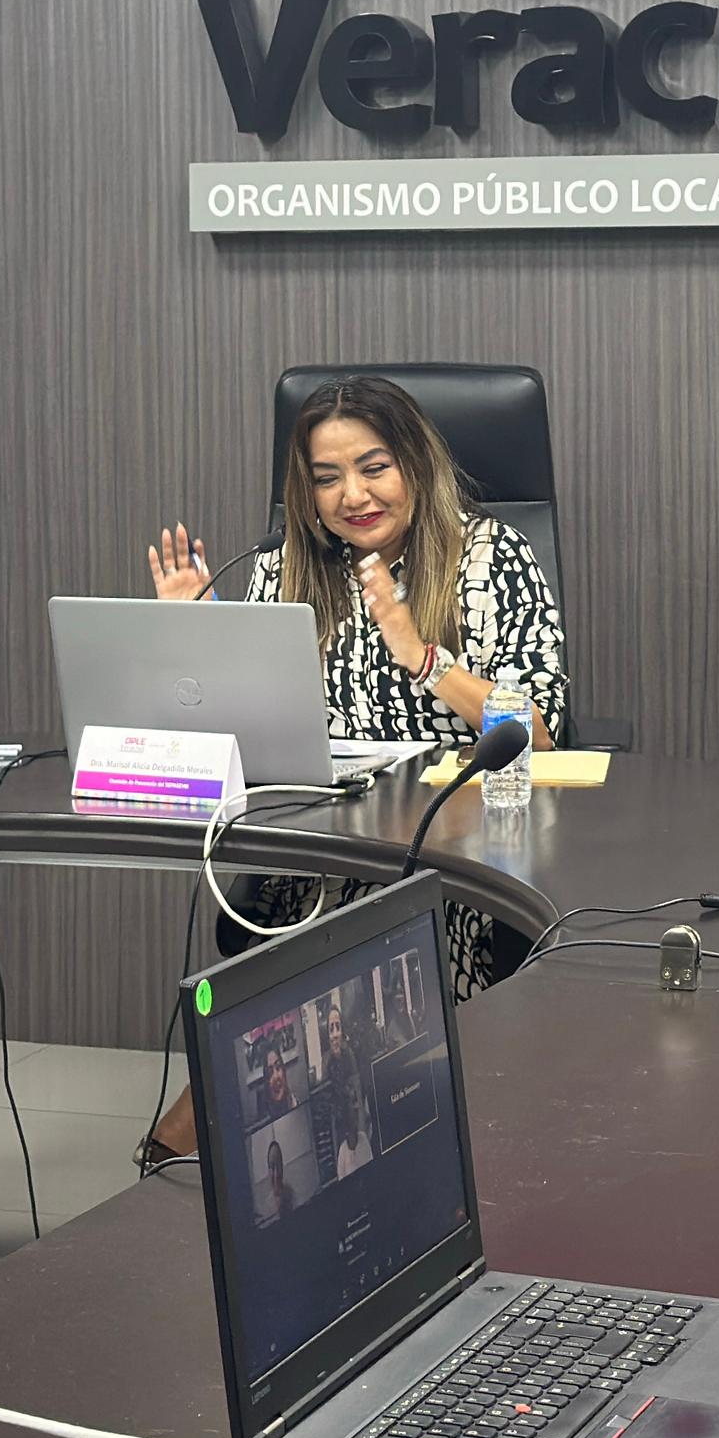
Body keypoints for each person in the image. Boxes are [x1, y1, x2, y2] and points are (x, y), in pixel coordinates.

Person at [146, 375, 571, 999]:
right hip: (324, 849)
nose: (353, 495)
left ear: (415, 464)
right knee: (288, 990)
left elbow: (536, 733)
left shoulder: (492, 556)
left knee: (393, 963)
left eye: (374, 468)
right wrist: (201, 643)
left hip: (456, 856)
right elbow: (250, 739)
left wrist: (422, 657)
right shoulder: (283, 565)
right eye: (327, 478)